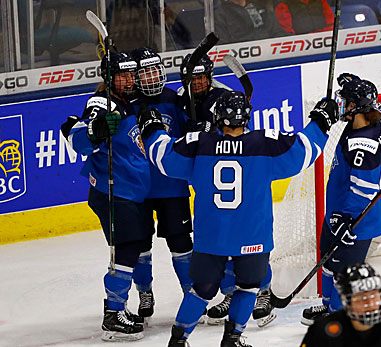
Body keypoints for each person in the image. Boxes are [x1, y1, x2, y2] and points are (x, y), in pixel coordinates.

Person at [136, 90, 339, 346]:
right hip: (252, 234)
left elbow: (162, 157)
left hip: (212, 236)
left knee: (202, 289)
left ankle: (178, 339)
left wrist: (152, 128)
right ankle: (233, 338)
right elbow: (304, 150)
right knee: (249, 285)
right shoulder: (265, 143)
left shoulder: (199, 143)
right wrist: (321, 121)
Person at [178, 53, 278, 328]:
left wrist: (208, 133)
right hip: (210, 174)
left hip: (238, 167)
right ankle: (233, 294)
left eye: (201, 77)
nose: (197, 83)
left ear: (209, 76)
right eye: (192, 78)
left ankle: (262, 293)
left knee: (247, 236)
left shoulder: (223, 95)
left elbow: (239, 131)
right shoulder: (180, 98)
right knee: (225, 239)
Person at [60, 51, 148, 341]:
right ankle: (113, 314)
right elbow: (80, 136)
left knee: (132, 246)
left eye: (130, 74)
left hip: (128, 190)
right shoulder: (102, 102)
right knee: (127, 247)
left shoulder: (128, 101)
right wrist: (96, 131)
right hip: (112, 190)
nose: (128, 80)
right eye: (122, 75)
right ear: (109, 77)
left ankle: (117, 308)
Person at [301, 74, 381, 326]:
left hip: (355, 222)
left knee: (344, 273)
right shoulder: (366, 120)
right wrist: (354, 83)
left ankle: (340, 318)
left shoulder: (364, 145)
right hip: (337, 212)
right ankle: (329, 307)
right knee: (327, 261)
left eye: (346, 101)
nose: (341, 105)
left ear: (358, 106)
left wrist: (345, 220)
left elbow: (364, 189)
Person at [127, 46, 197, 320]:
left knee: (180, 242)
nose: (153, 76)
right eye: (146, 72)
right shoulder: (128, 104)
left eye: (156, 69)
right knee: (140, 245)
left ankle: (191, 293)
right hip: (139, 189)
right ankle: (145, 292)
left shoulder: (175, 99)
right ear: (135, 76)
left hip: (172, 186)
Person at [300, 262, 381, 347]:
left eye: (374, 295)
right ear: (346, 301)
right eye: (362, 298)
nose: (371, 303)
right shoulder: (324, 332)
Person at [214, 0, 289, 44]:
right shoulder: (220, 14)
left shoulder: (260, 5)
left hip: (270, 54)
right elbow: (222, 44)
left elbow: (277, 31)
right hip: (244, 61)